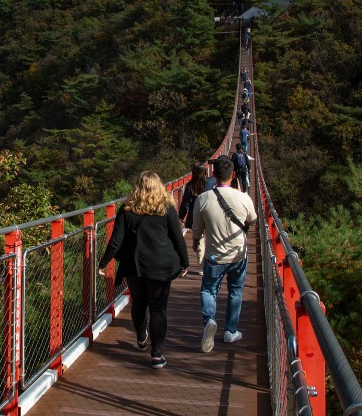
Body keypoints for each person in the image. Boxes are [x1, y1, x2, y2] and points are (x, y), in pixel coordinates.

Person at [98, 171, 189, 369]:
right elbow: (178, 239)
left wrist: (103, 263)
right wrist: (185, 262)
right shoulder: (166, 208)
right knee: (158, 308)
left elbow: (116, 241)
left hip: (134, 265)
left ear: (137, 187)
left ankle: (141, 336)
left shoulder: (127, 209)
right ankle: (156, 355)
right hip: (161, 265)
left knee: (138, 302)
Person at [192, 157, 257, 352]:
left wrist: (196, 244)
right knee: (235, 291)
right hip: (238, 254)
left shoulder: (203, 199)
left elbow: (197, 230)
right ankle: (230, 331)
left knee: (208, 290)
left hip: (214, 256)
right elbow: (252, 220)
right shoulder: (244, 197)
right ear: (233, 175)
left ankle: (209, 321)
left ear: (213, 175)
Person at [178, 163, 216, 274]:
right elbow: (218, 180)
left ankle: (201, 267)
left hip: (195, 216)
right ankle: (209, 263)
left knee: (199, 242)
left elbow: (185, 203)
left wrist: (181, 215)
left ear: (193, 173)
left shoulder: (190, 185)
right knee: (210, 239)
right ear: (205, 172)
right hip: (210, 215)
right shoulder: (210, 182)